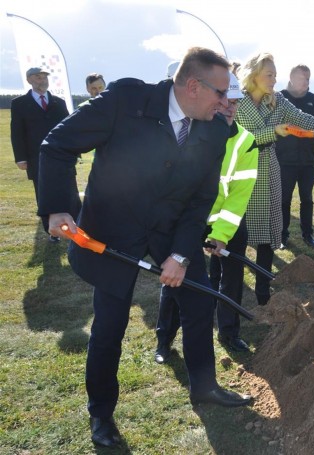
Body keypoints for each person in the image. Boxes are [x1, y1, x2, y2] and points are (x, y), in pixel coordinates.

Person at [38, 47, 252, 448]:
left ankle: (204, 386)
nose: (228, 103)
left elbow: (201, 198)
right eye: (221, 93)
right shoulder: (125, 101)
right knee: (109, 326)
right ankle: (101, 414)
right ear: (193, 86)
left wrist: (181, 255)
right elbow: (57, 145)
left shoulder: (214, 127)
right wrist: (56, 208)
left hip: (172, 230)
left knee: (200, 302)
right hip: (113, 231)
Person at [234, 52, 314, 305]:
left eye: (275, 75)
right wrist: (273, 131)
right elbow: (239, 139)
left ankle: (262, 293)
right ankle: (230, 291)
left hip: (268, 169)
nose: (274, 79)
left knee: (266, 236)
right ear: (253, 75)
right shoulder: (236, 102)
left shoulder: (277, 101)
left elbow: (304, 119)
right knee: (235, 236)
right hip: (240, 172)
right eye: (269, 75)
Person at [155, 70, 259, 357]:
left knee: (231, 279)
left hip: (227, 222)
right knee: (176, 278)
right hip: (190, 222)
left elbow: (239, 195)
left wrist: (221, 236)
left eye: (234, 102)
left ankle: (229, 333)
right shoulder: (189, 132)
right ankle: (164, 340)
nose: (228, 107)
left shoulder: (245, 141)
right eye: (223, 99)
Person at [10, 67, 74, 241]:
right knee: (44, 193)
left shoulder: (59, 103)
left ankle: (74, 225)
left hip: (61, 156)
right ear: (29, 80)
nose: (43, 80)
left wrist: (73, 151)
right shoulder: (19, 103)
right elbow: (17, 133)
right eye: (38, 77)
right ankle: (52, 231)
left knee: (68, 190)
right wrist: (21, 158)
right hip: (36, 158)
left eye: (45, 77)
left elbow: (69, 128)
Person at [276, 64, 314, 248]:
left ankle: (308, 234)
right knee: (284, 199)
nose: (306, 82)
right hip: (284, 160)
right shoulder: (279, 98)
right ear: (292, 78)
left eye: (308, 78)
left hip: (308, 161)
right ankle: (281, 236)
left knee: (307, 199)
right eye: (303, 78)